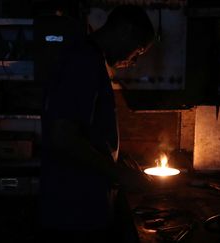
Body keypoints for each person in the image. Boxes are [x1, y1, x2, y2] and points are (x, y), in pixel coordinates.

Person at [39, 4, 155, 242]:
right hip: (74, 213)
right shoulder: (84, 62)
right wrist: (121, 174)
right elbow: (63, 136)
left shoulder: (89, 59)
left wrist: (115, 163)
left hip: (82, 207)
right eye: (138, 50)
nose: (133, 60)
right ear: (125, 30)